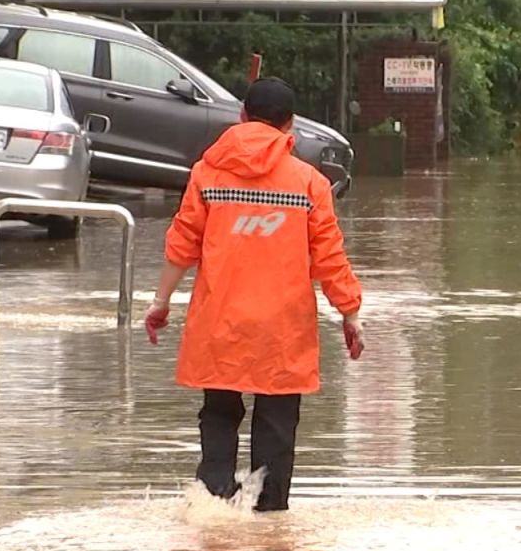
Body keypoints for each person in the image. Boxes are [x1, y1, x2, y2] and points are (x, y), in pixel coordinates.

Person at [143, 77, 366, 512]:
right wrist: (350, 312)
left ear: (241, 116)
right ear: (291, 126)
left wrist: (161, 302)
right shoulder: (309, 184)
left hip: (220, 324)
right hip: (282, 330)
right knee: (277, 429)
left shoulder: (208, 174)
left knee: (219, 418)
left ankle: (213, 515)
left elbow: (182, 243)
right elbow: (329, 257)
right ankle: (269, 530)